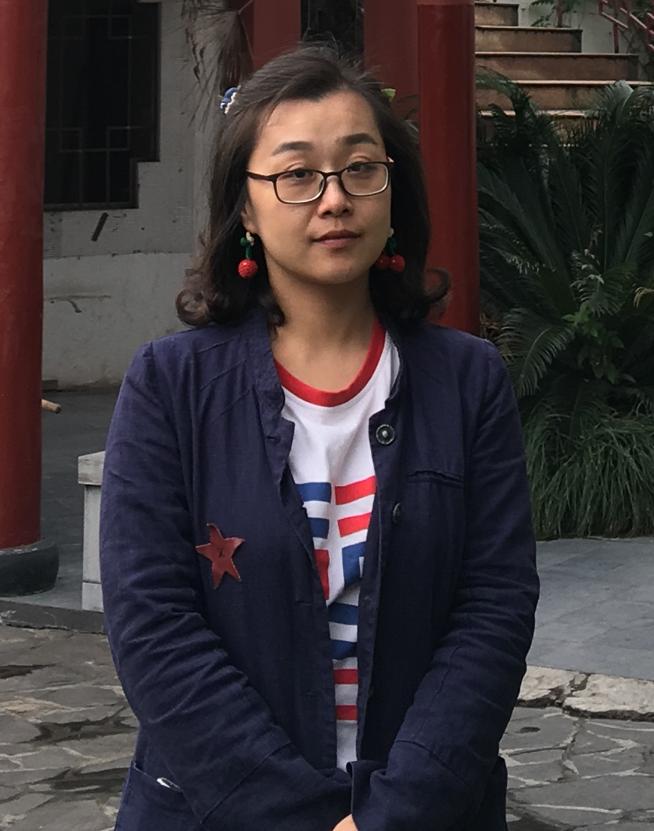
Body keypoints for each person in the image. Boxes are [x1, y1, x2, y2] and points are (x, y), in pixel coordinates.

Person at [99, 44, 539, 831]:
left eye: (360, 168)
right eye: (297, 174)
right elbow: (152, 626)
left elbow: (493, 610)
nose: (333, 198)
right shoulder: (169, 386)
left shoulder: (467, 381)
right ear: (245, 207)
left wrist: (392, 813)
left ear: (392, 189)